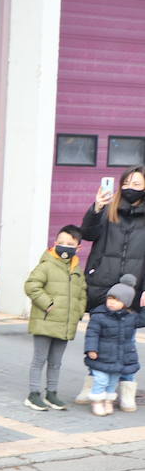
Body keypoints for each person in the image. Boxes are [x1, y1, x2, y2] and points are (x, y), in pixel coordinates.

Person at [75, 166, 145, 403]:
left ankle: (126, 389)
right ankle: (93, 385)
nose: (130, 188)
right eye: (126, 183)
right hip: (102, 286)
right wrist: (96, 207)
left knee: (126, 341)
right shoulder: (108, 210)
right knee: (98, 338)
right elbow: (88, 233)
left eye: (137, 184)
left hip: (132, 288)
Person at [22, 225, 88, 411]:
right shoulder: (47, 265)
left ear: (78, 248)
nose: (65, 246)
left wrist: (78, 312)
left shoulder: (76, 269)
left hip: (65, 324)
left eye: (70, 244)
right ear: (54, 243)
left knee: (56, 361)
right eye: (61, 243)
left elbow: (82, 292)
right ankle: (33, 394)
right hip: (45, 321)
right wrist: (48, 304)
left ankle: (52, 393)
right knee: (39, 359)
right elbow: (31, 286)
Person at [83, 274, 145, 416]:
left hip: (120, 357)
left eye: (116, 300)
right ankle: (97, 400)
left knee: (112, 381)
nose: (111, 302)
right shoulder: (99, 315)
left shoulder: (130, 317)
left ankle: (108, 400)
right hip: (101, 356)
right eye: (110, 298)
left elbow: (142, 320)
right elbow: (92, 333)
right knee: (101, 379)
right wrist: (91, 349)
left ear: (126, 303)